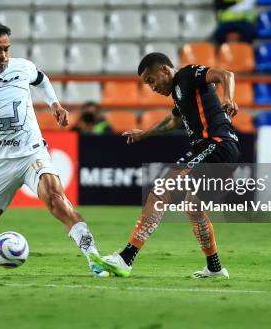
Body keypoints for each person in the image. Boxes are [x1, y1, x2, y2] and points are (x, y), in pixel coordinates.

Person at [0, 0, 108, 277]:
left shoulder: (22, 66)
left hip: (32, 152)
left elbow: (41, 80)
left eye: (7, 49)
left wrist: (54, 104)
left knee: (58, 200)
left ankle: (94, 258)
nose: (4, 55)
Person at [90, 53, 240, 279]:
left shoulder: (187, 75)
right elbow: (174, 121)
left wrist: (228, 97)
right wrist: (145, 134)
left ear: (163, 70)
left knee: (161, 191)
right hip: (214, 148)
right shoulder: (180, 94)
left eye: (151, 80)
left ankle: (126, 258)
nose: (151, 87)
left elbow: (224, 74)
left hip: (217, 144)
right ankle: (215, 268)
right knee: (193, 206)